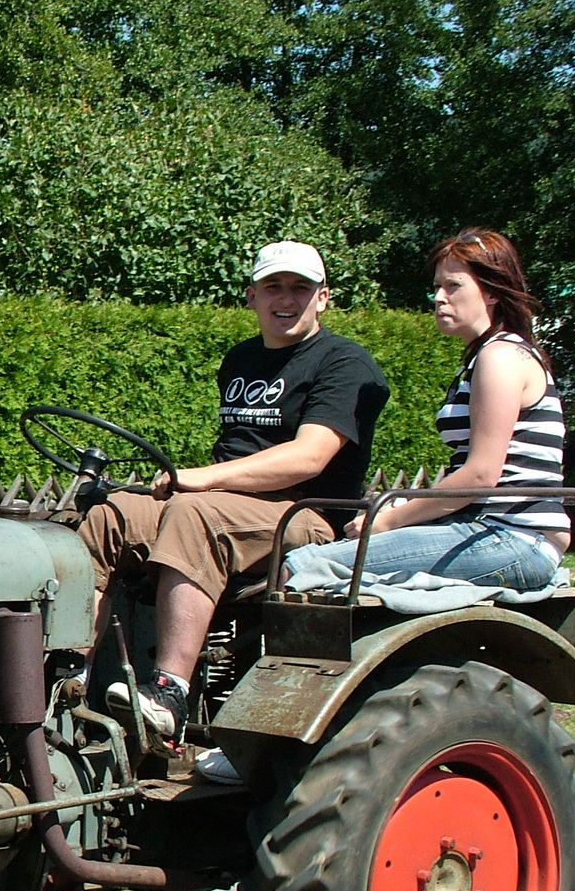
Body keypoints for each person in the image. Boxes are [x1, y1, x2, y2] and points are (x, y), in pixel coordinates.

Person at [78, 240, 390, 746]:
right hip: (232, 504)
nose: (285, 299)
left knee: (194, 513)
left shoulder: (344, 363)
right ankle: (70, 681)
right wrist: (204, 484)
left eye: (300, 288)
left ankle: (169, 696)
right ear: (251, 296)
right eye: (273, 287)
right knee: (110, 514)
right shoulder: (241, 359)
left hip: (306, 513)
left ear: (323, 298)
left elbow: (309, 457)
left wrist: (204, 478)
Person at [284, 227, 567, 598]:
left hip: (511, 537)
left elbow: (481, 474)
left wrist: (388, 520)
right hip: (492, 531)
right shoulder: (488, 355)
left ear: (493, 292)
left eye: (454, 286)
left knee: (303, 564)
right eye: (437, 287)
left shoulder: (500, 357)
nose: (439, 298)